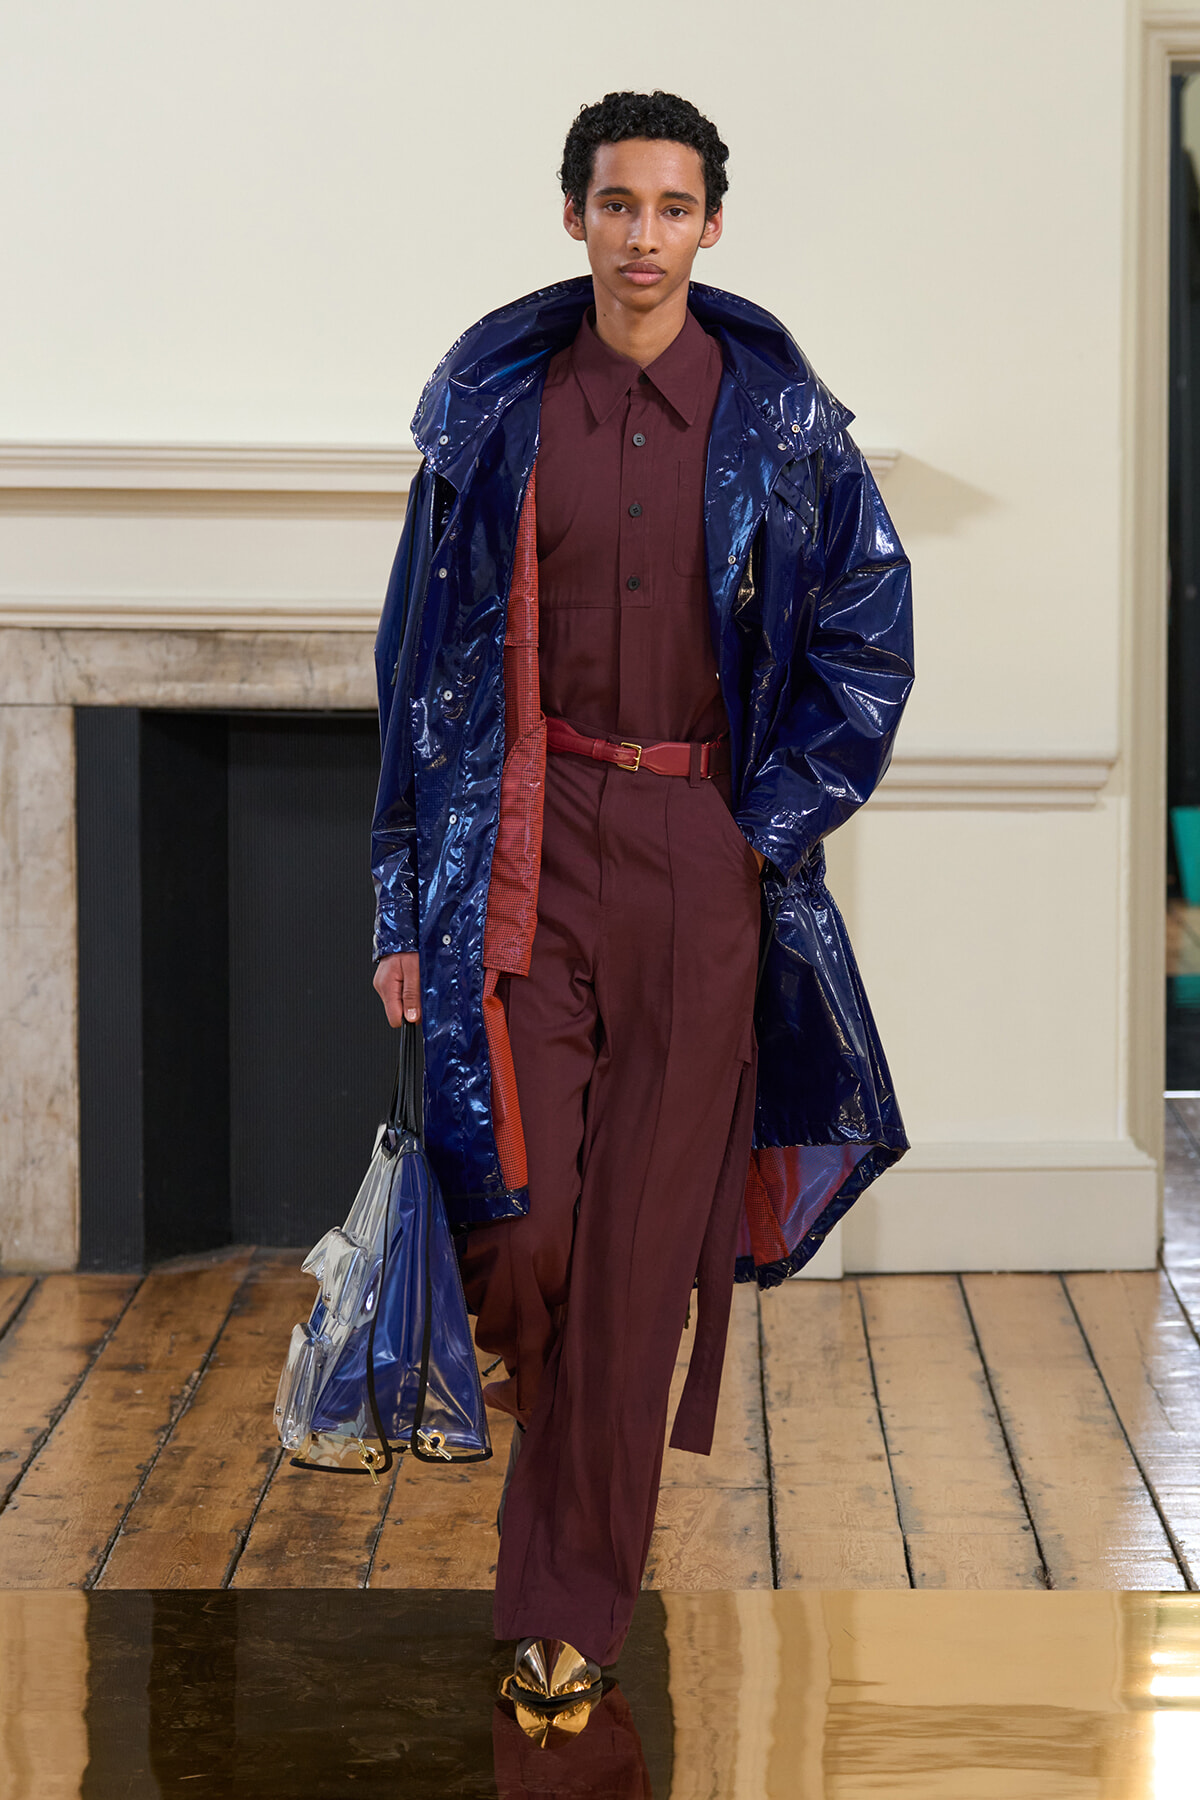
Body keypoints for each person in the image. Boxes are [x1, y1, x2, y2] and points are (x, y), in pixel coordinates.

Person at [371, 89, 913, 1719]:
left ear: (712, 226)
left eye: (672, 208)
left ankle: (564, 1609)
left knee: (638, 1266)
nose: (642, 236)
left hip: (698, 853)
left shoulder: (783, 425)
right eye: (616, 205)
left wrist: (760, 827)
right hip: (528, 847)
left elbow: (865, 648)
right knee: (528, 1230)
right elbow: (414, 669)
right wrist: (404, 893)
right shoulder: (497, 415)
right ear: (574, 219)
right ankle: (569, 1513)